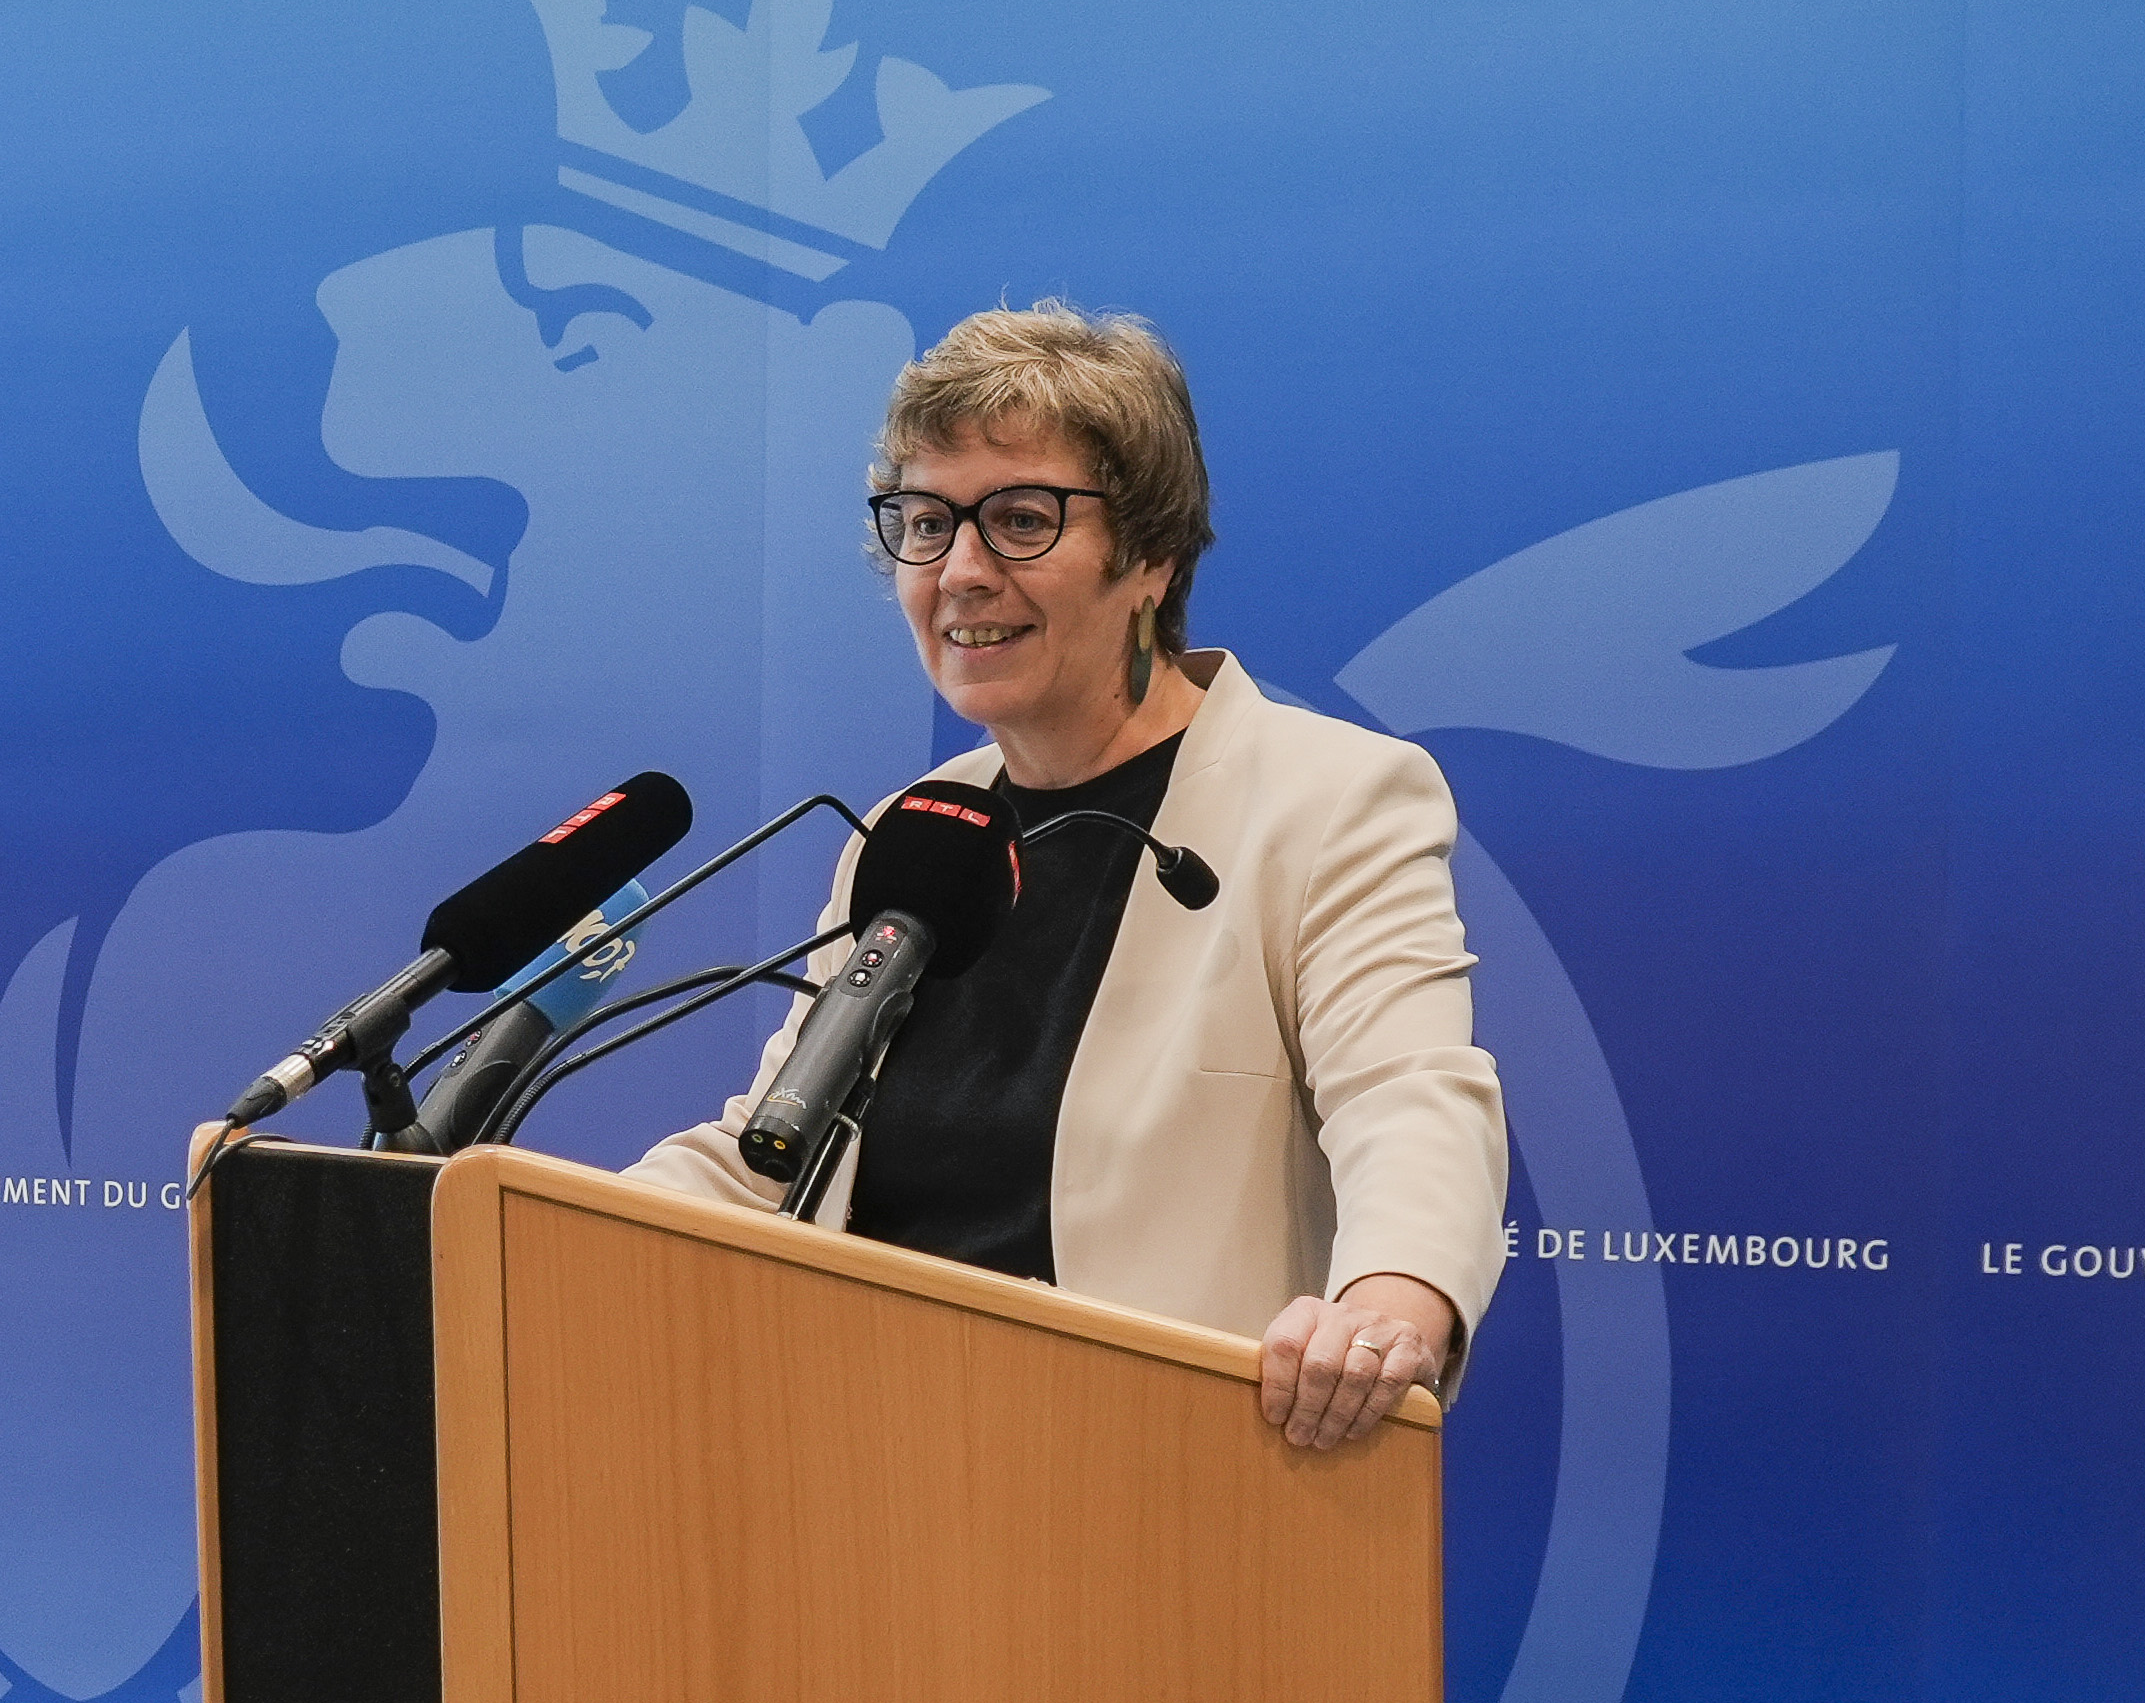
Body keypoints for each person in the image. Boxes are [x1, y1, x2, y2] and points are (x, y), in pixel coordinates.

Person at [624, 304, 1504, 1452]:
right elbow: (773, 1153)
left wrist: (1393, 1301)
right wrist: (521, 1232)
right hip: (866, 1463)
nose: (962, 573)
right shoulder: (915, 828)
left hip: (1160, 1478)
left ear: (1151, 556)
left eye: (1022, 521)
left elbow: (1409, 1094)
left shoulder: (1327, 800)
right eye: (926, 524)